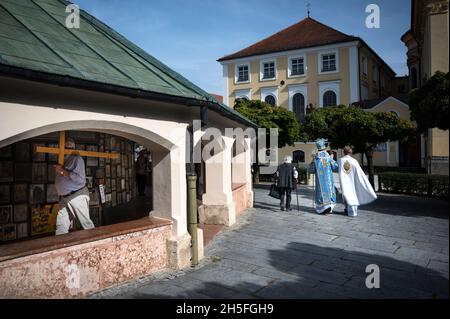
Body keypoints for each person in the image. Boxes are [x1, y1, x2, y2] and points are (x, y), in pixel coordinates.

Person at [54, 138, 95, 235]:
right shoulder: (62, 159)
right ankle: (61, 246)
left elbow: (80, 179)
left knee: (86, 224)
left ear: (73, 147)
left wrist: (62, 171)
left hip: (77, 195)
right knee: (61, 225)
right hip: (64, 198)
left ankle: (96, 244)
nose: (67, 148)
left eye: (69, 147)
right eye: (65, 146)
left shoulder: (77, 159)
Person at [337, 146, 377, 217]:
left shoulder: (340, 160)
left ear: (344, 152)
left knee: (346, 195)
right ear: (351, 152)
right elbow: (359, 173)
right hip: (352, 182)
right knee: (353, 195)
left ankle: (347, 209)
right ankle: (352, 211)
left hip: (344, 182)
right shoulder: (354, 161)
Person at [308, 138, 339, 214]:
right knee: (329, 191)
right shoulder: (329, 157)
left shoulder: (316, 158)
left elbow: (311, 170)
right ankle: (329, 208)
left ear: (318, 148)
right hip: (329, 180)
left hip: (320, 181)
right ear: (324, 147)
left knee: (321, 192)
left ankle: (322, 209)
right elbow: (335, 167)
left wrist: (312, 161)